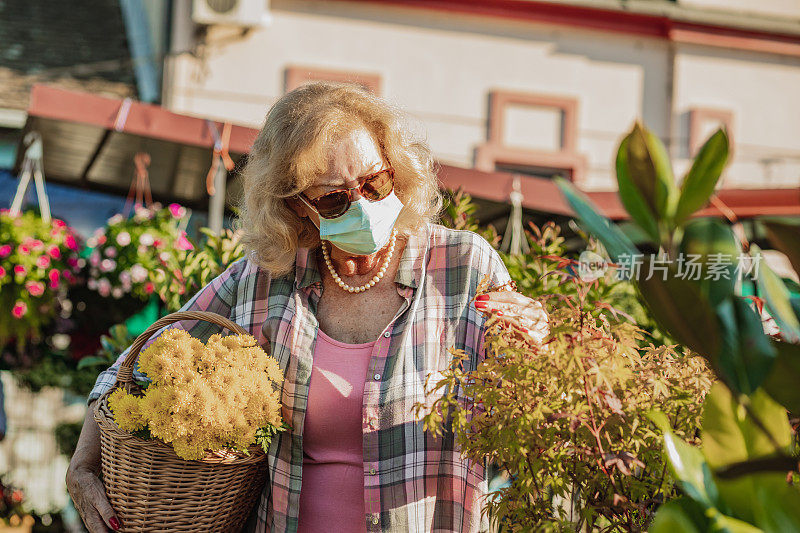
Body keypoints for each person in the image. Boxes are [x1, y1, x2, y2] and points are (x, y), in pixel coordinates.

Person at [66, 82, 549, 533]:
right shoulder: (264, 279)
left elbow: (524, 399)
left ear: (396, 170)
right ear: (297, 206)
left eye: (375, 183)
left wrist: (542, 349)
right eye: (334, 198)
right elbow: (133, 365)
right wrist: (84, 464)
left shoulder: (462, 265)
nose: (362, 205)